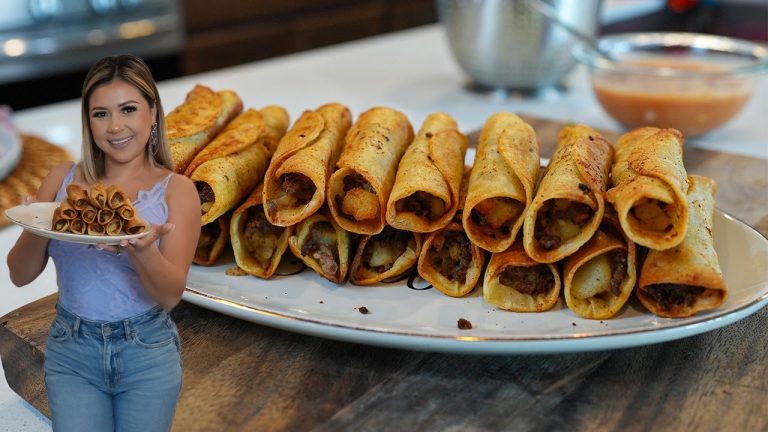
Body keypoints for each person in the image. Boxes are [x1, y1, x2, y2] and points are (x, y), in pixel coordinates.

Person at [7, 54, 201, 431]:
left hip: (146, 350)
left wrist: (142, 249)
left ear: (153, 113)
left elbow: (170, 295)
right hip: (72, 349)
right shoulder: (61, 178)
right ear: (88, 122)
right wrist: (36, 223)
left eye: (128, 109)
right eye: (100, 114)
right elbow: (19, 275)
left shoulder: (178, 191)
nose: (115, 127)